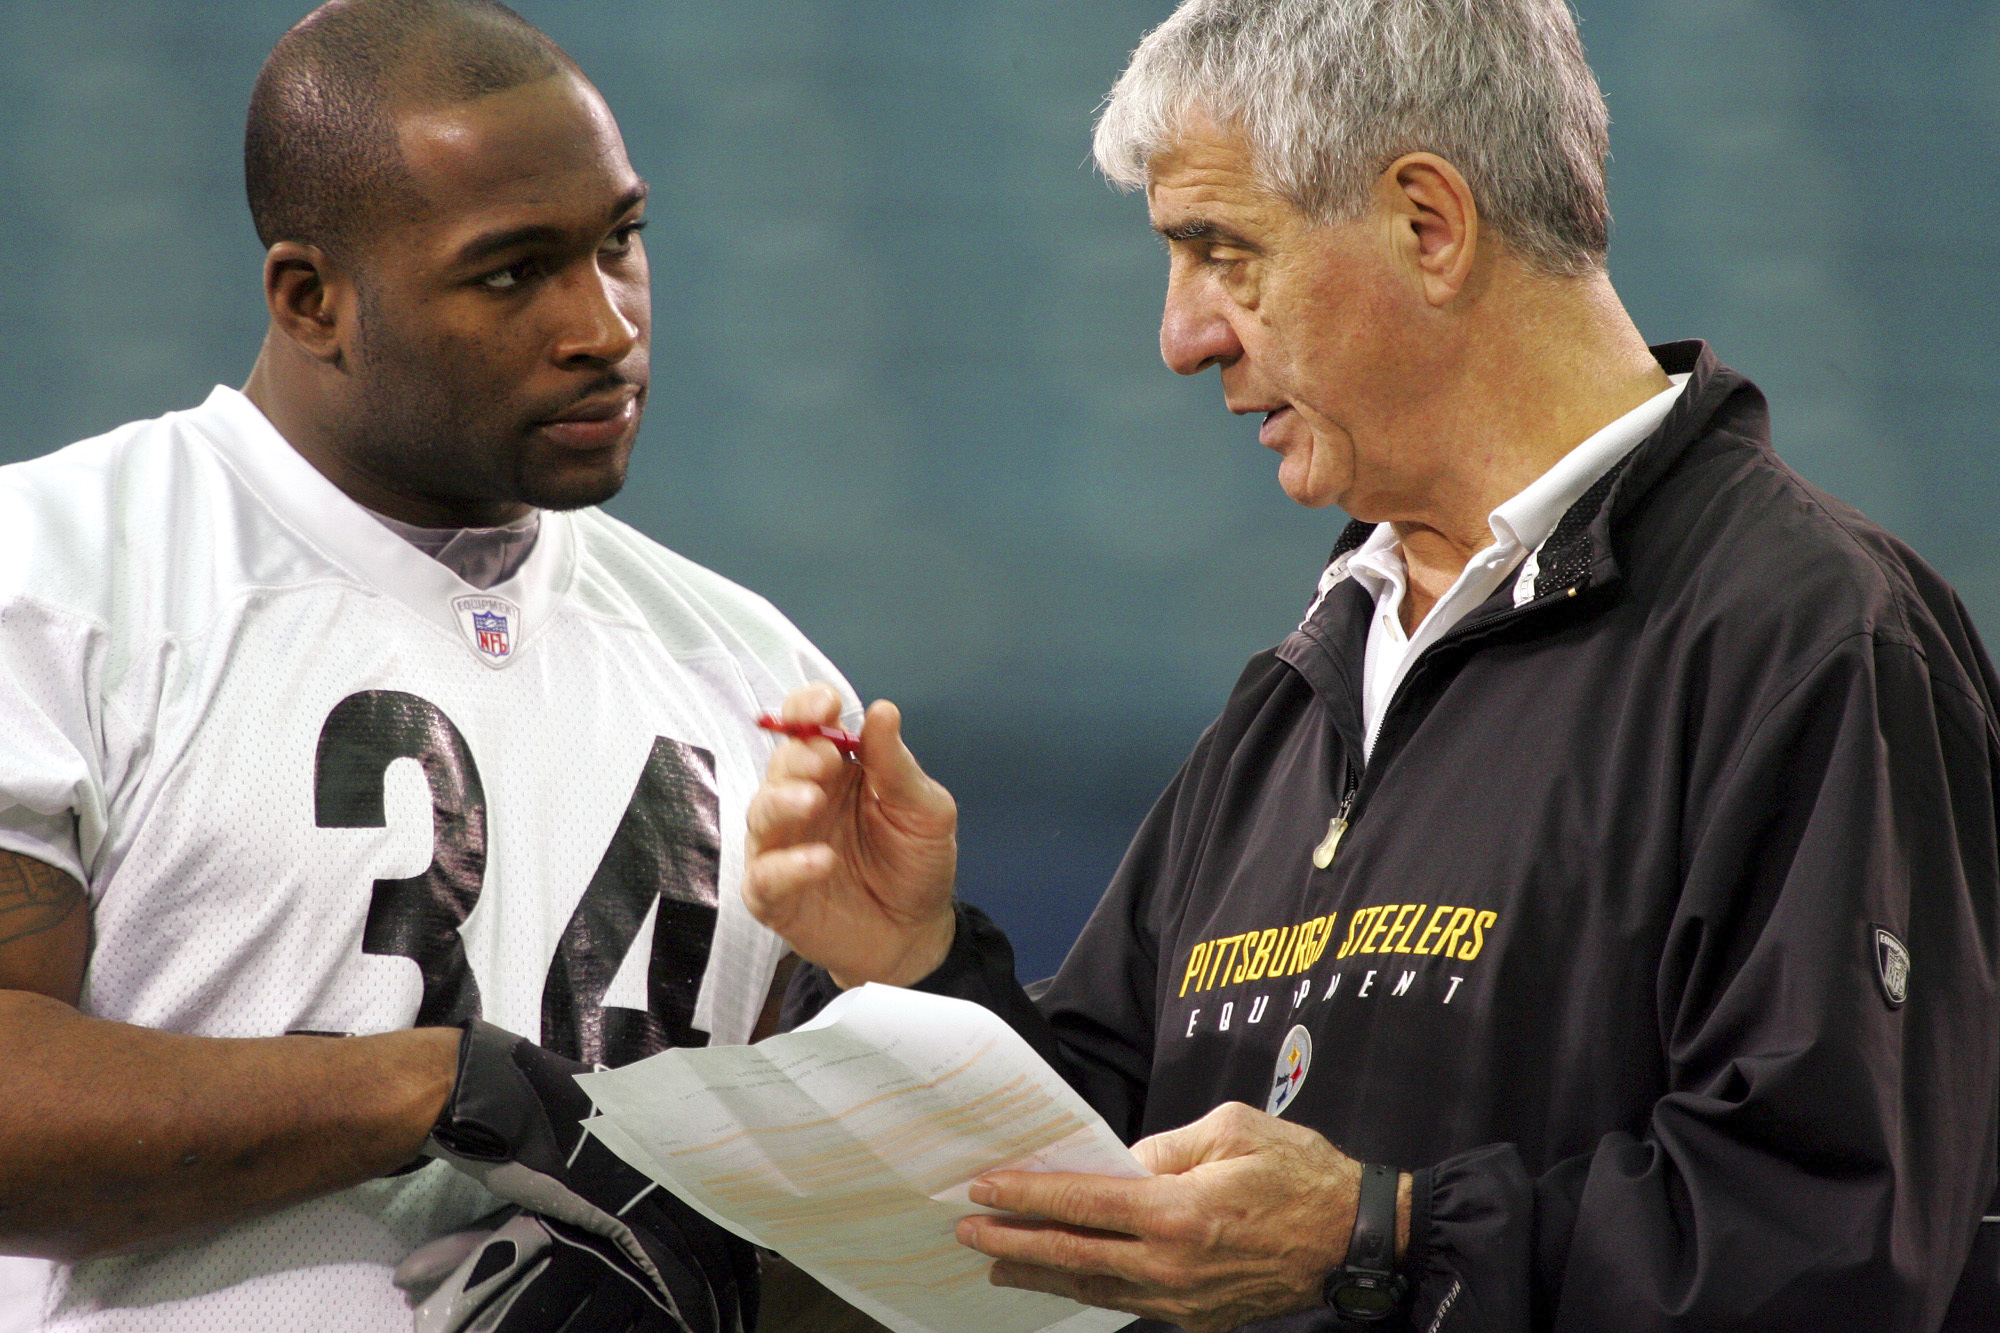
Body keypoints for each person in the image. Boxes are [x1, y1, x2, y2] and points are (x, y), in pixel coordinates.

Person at [741, 0, 2000, 1329]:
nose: (1183, 335)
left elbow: (1835, 1250)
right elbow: (1117, 1174)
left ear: (1427, 224)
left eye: (1224, 251)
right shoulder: (1298, 692)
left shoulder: (1816, 640)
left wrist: (1382, 1234)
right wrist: (922, 961)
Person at [0, 2, 862, 1329]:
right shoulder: (53, 570)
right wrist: (437, 1089)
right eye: (513, 271)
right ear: (312, 297)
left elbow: (861, 1239)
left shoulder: (757, 675)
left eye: (620, 241)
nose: (604, 325)